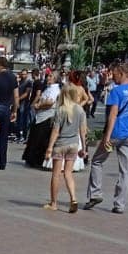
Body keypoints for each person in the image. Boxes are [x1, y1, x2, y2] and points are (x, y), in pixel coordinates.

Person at [84, 63, 128, 215]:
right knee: (125, 170)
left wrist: (107, 136)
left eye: (114, 74)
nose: (112, 77)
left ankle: (95, 193)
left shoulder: (116, 91)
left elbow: (113, 114)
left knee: (97, 161)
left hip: (115, 133)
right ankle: (120, 204)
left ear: (122, 73)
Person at [45, 82, 89, 212]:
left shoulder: (61, 110)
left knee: (56, 174)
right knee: (69, 173)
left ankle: (54, 203)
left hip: (60, 145)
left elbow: (55, 131)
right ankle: (73, 199)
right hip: (74, 144)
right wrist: (84, 148)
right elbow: (83, 131)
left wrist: (49, 147)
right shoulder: (80, 110)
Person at [21, 70, 59, 169]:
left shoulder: (55, 89)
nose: (48, 78)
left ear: (55, 78)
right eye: (48, 76)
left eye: (50, 76)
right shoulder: (48, 88)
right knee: (34, 137)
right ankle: (31, 158)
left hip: (46, 116)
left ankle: (37, 160)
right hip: (41, 115)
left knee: (40, 139)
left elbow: (50, 102)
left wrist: (39, 105)